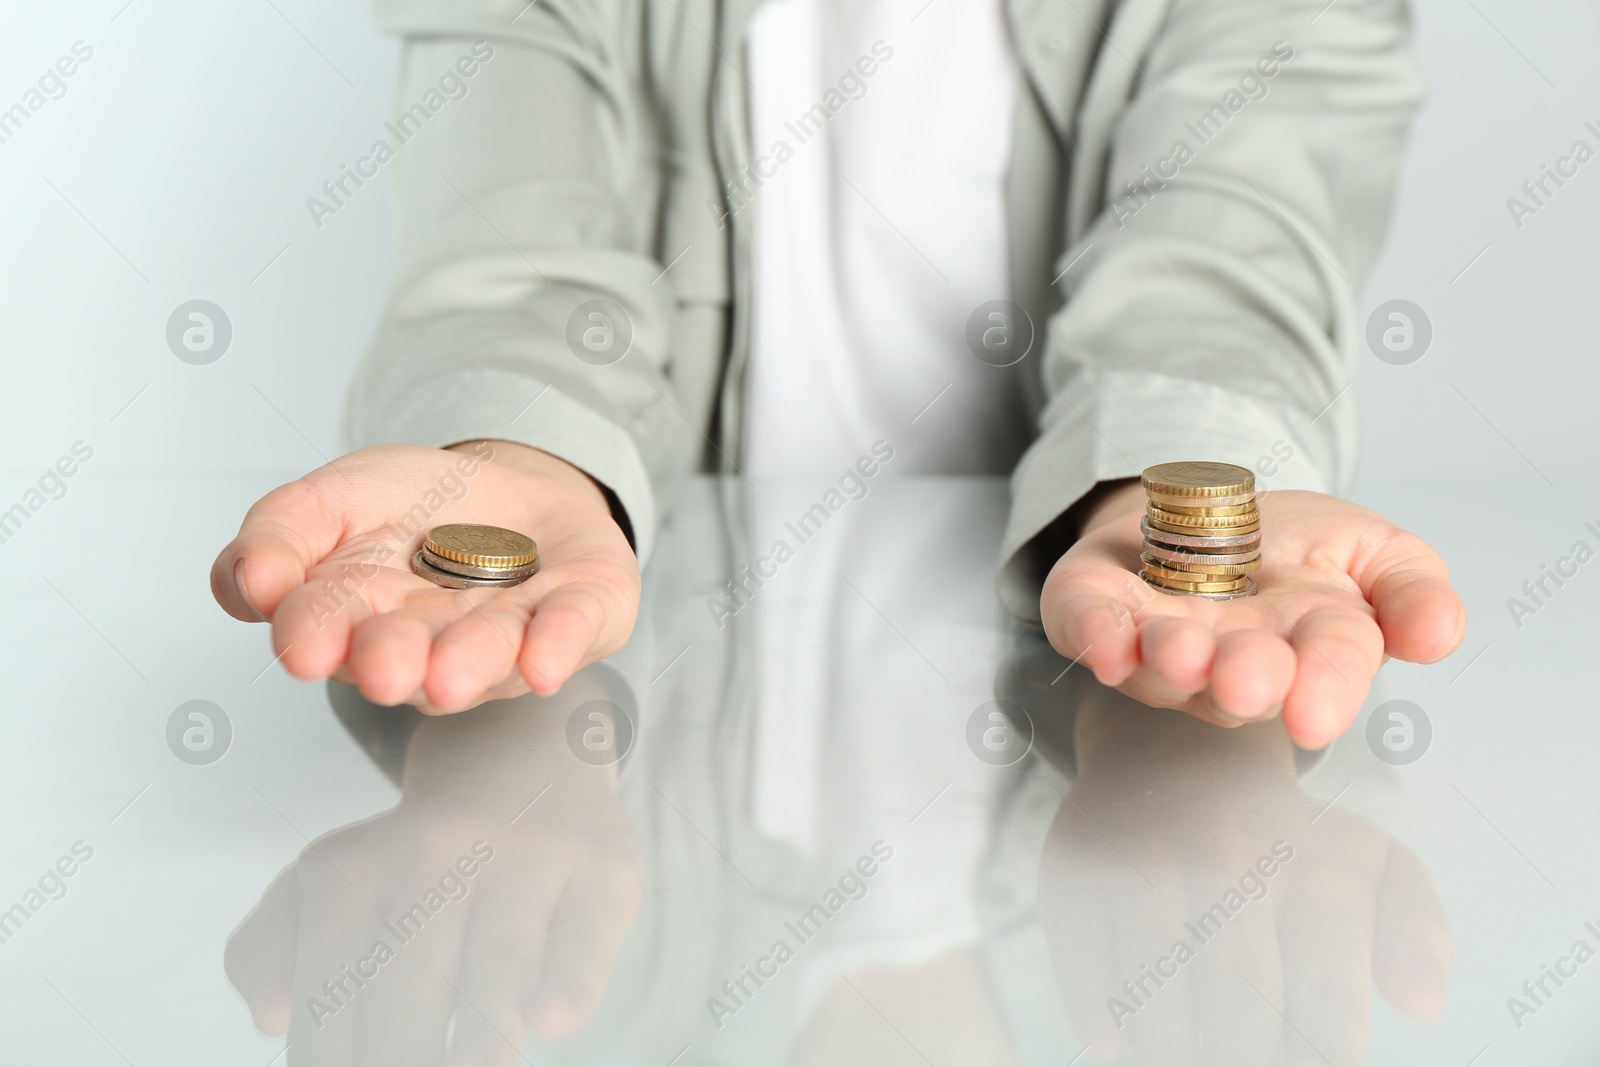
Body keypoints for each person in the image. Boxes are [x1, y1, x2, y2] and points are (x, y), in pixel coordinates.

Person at [210, 0, 1465, 747]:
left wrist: (1173, 471)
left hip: (1056, 723)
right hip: (681, 701)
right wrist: (516, 446)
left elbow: (1234, 243)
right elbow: (514, 236)